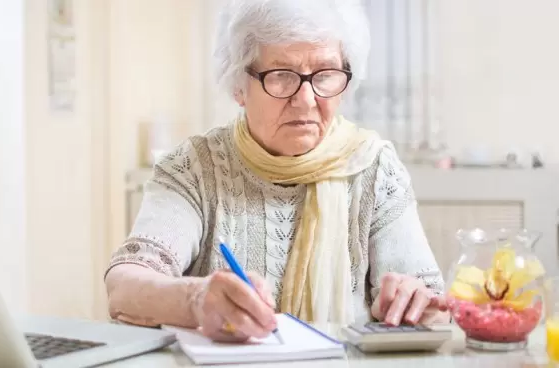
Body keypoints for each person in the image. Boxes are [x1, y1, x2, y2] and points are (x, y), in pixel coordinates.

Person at [104, 0, 449, 342]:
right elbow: (124, 287)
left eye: (325, 75)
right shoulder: (195, 167)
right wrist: (195, 299)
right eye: (282, 76)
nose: (306, 99)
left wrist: (414, 299)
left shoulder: (375, 169)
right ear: (240, 86)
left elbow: (434, 307)